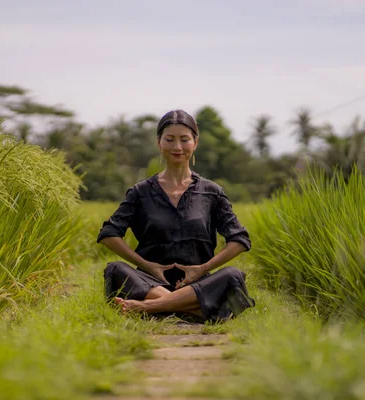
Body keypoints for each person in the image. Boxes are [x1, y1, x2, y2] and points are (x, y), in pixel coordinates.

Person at [97, 109, 255, 323]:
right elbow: (109, 234)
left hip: (198, 284)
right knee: (115, 269)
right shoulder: (140, 192)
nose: (177, 147)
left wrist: (202, 269)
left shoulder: (211, 192)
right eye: (169, 139)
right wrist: (147, 265)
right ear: (159, 142)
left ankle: (151, 307)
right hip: (149, 282)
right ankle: (190, 309)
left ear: (195, 143)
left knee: (233, 276)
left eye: (184, 140)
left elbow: (239, 240)